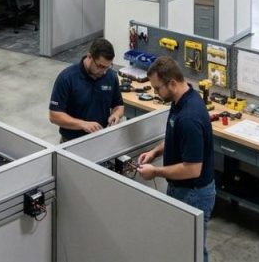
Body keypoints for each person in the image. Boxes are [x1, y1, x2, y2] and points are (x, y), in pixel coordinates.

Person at [137, 56, 215, 262]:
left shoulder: (189, 117)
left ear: (172, 83)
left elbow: (192, 169)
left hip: (193, 193)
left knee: (192, 251)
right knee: (182, 248)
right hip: (183, 189)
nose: (155, 93)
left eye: (157, 88)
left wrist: (155, 172)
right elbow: (176, 140)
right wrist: (155, 152)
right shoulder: (181, 99)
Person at [48, 38, 124, 142]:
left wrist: (116, 115)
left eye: (108, 66)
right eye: (101, 66)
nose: (104, 71)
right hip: (72, 142)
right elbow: (54, 116)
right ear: (89, 57)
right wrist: (83, 124)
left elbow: (118, 105)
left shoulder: (111, 76)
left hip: (101, 139)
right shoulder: (67, 78)